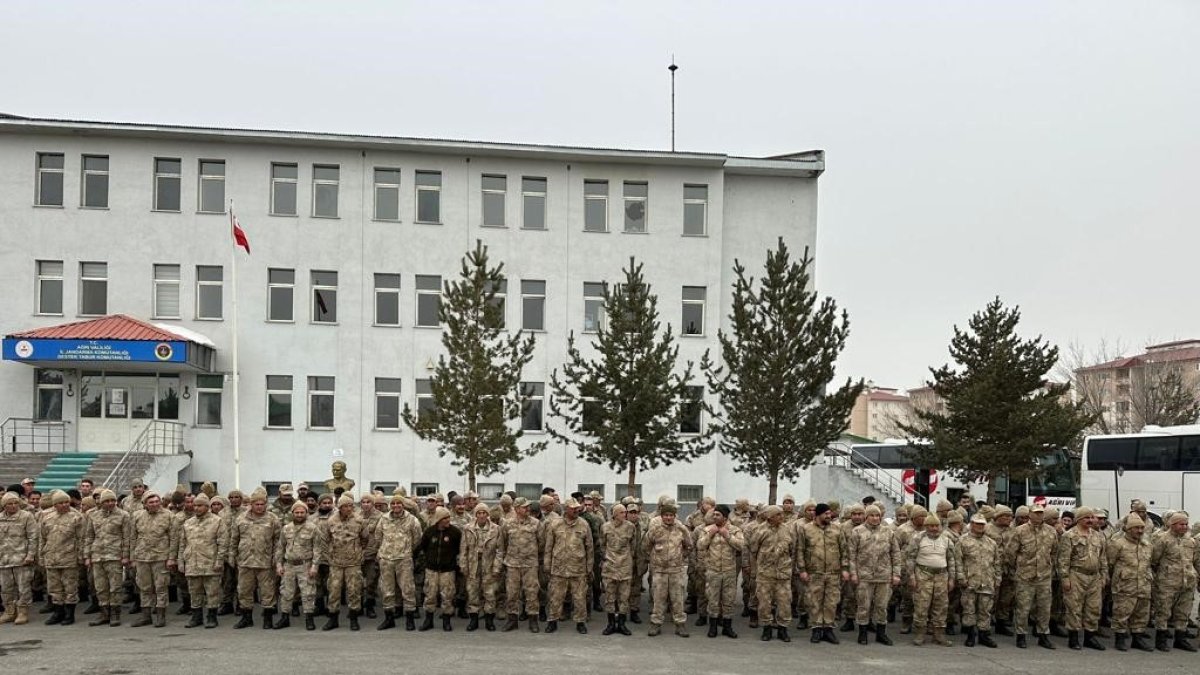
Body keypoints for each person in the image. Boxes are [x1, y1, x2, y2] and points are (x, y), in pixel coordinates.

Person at [848, 504, 900, 646]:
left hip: (884, 576)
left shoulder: (888, 532)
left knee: (882, 606)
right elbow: (851, 555)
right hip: (864, 576)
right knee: (863, 606)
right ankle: (862, 633)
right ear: (866, 516)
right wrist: (853, 573)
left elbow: (895, 553)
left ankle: (881, 634)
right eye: (872, 515)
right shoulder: (857, 532)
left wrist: (896, 574)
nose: (875, 518)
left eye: (877, 515)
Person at [1006, 503, 1057, 649]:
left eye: (1041, 513)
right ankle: (1021, 635)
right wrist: (1019, 567)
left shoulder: (1051, 531)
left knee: (1044, 608)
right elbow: (1010, 553)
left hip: (1044, 577)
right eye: (1036, 513)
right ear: (1030, 514)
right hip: (1025, 577)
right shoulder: (1020, 531)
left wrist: (1048, 565)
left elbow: (1054, 552)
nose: (1039, 515)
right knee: (1023, 608)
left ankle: (1043, 635)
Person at [1056, 506, 1108, 650]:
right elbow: (1063, 559)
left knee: (1094, 608)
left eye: (1092, 517)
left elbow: (1103, 558)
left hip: (1094, 577)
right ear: (1079, 519)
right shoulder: (1069, 536)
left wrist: (1104, 576)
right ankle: (1073, 638)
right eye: (1087, 517)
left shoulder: (1098, 536)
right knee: (1074, 607)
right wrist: (1065, 578)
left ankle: (1090, 638)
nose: (1090, 520)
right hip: (1076, 575)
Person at [229, 487, 281, 630]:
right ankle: (246, 618)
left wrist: (276, 559)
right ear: (251, 504)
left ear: (266, 504)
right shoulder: (241, 518)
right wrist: (232, 556)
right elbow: (234, 539)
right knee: (244, 590)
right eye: (256, 504)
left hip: (265, 562)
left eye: (262, 504)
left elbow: (278, 541)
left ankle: (268, 618)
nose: (259, 507)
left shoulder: (272, 519)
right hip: (245, 561)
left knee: (268, 591)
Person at [372, 493, 423, 631]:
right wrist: (384, 551)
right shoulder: (384, 519)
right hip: (386, 559)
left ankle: (410, 619)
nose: (396, 506)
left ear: (403, 505)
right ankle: (389, 619)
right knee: (386, 589)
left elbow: (417, 538)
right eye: (393, 503)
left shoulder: (412, 520)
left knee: (408, 589)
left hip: (404, 559)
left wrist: (406, 549)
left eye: (398, 503)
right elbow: (378, 537)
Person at [318, 494, 369, 631]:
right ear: (340, 507)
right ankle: (333, 619)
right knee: (333, 591)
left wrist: (358, 552)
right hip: (336, 563)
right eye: (345, 506)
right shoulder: (331, 521)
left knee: (354, 590)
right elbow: (324, 540)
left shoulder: (359, 520)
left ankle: (354, 618)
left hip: (353, 563)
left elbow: (365, 539)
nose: (349, 508)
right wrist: (329, 556)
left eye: (351, 506)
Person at [1150, 510, 1199, 652]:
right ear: (1172, 525)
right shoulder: (1162, 540)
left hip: (1187, 582)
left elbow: (1194, 560)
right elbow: (1154, 560)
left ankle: (1180, 639)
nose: (1184, 527)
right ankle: (1161, 640)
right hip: (1167, 582)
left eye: (1186, 524)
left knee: (1183, 612)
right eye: (1181, 524)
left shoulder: (1190, 541)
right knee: (1163, 611)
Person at [543, 497, 594, 634]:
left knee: (580, 598)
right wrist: (547, 565)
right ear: (566, 509)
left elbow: (589, 548)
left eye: (577, 508)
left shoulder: (583, 524)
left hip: (578, 569)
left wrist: (589, 568)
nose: (576, 510)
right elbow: (548, 547)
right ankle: (552, 621)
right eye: (573, 508)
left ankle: (580, 622)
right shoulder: (555, 524)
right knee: (555, 597)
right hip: (559, 568)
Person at [176, 493, 227, 629]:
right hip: (192, 562)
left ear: (207, 506)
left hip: (210, 563)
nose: (196, 508)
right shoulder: (188, 523)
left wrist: (219, 561)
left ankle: (212, 616)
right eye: (195, 505)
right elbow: (182, 544)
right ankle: (196, 616)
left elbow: (223, 544)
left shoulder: (217, 521)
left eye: (200, 506)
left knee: (212, 592)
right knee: (194, 591)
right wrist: (181, 561)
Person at [798, 503, 846, 644]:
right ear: (818, 515)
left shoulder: (837, 529)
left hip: (833, 573)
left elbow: (844, 550)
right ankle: (816, 629)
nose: (829, 516)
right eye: (826, 514)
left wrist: (845, 569)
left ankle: (828, 629)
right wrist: (802, 570)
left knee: (831, 602)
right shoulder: (806, 529)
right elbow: (800, 550)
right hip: (814, 572)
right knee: (814, 602)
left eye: (830, 513)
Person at [1106, 513, 1155, 652]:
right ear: (1128, 529)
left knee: (1141, 613)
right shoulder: (1117, 544)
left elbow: (1151, 563)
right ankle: (1120, 639)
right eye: (1136, 528)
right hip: (1125, 585)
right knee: (1121, 612)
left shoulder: (1147, 545)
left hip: (1143, 584)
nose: (1140, 531)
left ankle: (1137, 639)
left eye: (1142, 528)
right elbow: (1109, 563)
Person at [906, 513, 955, 646]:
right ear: (926, 526)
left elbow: (951, 560)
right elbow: (910, 558)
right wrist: (911, 576)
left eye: (936, 525)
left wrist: (951, 579)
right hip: (923, 575)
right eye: (931, 526)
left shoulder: (946, 540)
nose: (934, 528)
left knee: (941, 606)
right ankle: (920, 634)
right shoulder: (917, 538)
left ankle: (939, 635)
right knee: (922, 605)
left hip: (941, 576)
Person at [495, 496, 542, 632]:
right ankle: (512, 620)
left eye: (528, 506)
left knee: (532, 593)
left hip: (530, 564)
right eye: (524, 507)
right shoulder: (507, 524)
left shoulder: (536, 523)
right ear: (516, 509)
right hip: (512, 564)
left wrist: (532, 555)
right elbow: (502, 544)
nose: (528, 509)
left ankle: (533, 620)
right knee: (512, 593)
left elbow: (541, 542)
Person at [83, 489, 130, 626]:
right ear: (101, 502)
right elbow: (89, 536)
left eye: (112, 500)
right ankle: (104, 613)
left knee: (115, 587)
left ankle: (115, 614)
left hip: (114, 556)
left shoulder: (123, 515)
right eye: (107, 501)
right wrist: (87, 556)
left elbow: (127, 537)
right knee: (100, 587)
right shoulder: (93, 516)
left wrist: (125, 555)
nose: (110, 503)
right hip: (97, 556)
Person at [643, 502, 691, 637]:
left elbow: (689, 545)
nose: (668, 518)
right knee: (658, 599)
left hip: (676, 571)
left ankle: (680, 625)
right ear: (662, 516)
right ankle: (656, 624)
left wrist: (680, 557)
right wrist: (655, 558)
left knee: (678, 599)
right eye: (666, 515)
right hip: (659, 571)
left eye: (671, 515)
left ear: (675, 516)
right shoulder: (655, 529)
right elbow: (646, 546)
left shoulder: (681, 529)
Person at [697, 503, 743, 639]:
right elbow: (700, 545)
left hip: (729, 571)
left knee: (729, 599)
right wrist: (710, 535)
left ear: (725, 517)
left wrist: (727, 535)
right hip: (713, 570)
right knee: (713, 599)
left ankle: (727, 627)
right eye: (714, 514)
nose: (715, 517)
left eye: (718, 515)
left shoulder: (735, 530)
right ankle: (713, 627)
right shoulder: (707, 529)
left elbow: (741, 546)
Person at [750, 505, 795, 642]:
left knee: (784, 602)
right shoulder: (760, 530)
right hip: (765, 574)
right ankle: (767, 628)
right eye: (778, 514)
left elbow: (791, 548)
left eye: (782, 514)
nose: (782, 517)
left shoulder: (787, 529)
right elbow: (753, 549)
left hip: (783, 573)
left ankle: (783, 629)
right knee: (764, 603)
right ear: (770, 517)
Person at [956, 513, 1001, 648]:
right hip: (970, 582)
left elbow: (997, 563)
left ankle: (984, 635)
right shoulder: (962, 541)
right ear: (971, 524)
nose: (980, 526)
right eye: (977, 523)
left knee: (985, 610)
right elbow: (958, 561)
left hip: (987, 581)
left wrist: (997, 579)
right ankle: (971, 635)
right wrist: (961, 578)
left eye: (982, 524)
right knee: (969, 609)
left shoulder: (991, 543)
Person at [40, 490, 84, 626]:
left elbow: (81, 539)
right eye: (61, 503)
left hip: (69, 558)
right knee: (54, 587)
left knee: (70, 587)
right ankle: (58, 612)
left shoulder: (77, 517)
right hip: (51, 558)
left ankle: (69, 613)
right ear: (55, 505)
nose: (65, 505)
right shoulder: (47, 518)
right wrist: (41, 556)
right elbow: (42, 539)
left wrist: (81, 557)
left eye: (66, 502)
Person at [273, 502, 320, 630]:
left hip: (305, 565)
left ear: (306, 513)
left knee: (308, 592)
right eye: (297, 512)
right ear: (292, 513)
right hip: (289, 565)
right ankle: (285, 618)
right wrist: (278, 565)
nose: (299, 515)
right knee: (286, 592)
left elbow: (317, 549)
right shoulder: (286, 528)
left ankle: (309, 619)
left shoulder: (313, 528)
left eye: (302, 512)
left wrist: (314, 566)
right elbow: (280, 548)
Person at [416, 506, 461, 631]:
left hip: (448, 570)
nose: (448, 520)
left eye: (448, 517)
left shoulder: (455, 532)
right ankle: (428, 620)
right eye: (445, 518)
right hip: (431, 570)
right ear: (438, 519)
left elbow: (459, 549)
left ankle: (446, 621)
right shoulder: (429, 532)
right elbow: (423, 547)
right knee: (430, 595)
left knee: (448, 596)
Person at [0, 491, 38, 626]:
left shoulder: (26, 516)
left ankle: (22, 611)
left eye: (15, 503)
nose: (13, 506)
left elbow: (33, 537)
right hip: (3, 559)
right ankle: (9, 611)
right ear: (4, 505)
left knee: (23, 587)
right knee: (6, 587)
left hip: (21, 558)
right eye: (9, 504)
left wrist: (30, 555)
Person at [460, 502, 498, 631]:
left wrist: (497, 567)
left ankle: (489, 620)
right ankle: (473, 620)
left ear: (488, 514)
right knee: (472, 592)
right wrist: (463, 565)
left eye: (484, 513)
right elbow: (463, 549)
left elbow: (500, 550)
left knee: (489, 593)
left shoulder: (496, 529)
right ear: (475, 515)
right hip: (473, 565)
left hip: (489, 565)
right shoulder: (468, 528)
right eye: (479, 513)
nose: (481, 515)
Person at [599, 503, 636, 636]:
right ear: (614, 514)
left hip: (625, 567)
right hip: (610, 566)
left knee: (624, 597)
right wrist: (608, 558)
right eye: (622, 512)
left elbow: (633, 545)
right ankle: (610, 624)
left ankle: (621, 624)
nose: (625, 514)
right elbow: (602, 545)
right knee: (609, 597)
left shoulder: (630, 527)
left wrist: (627, 558)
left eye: (625, 512)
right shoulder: (605, 527)